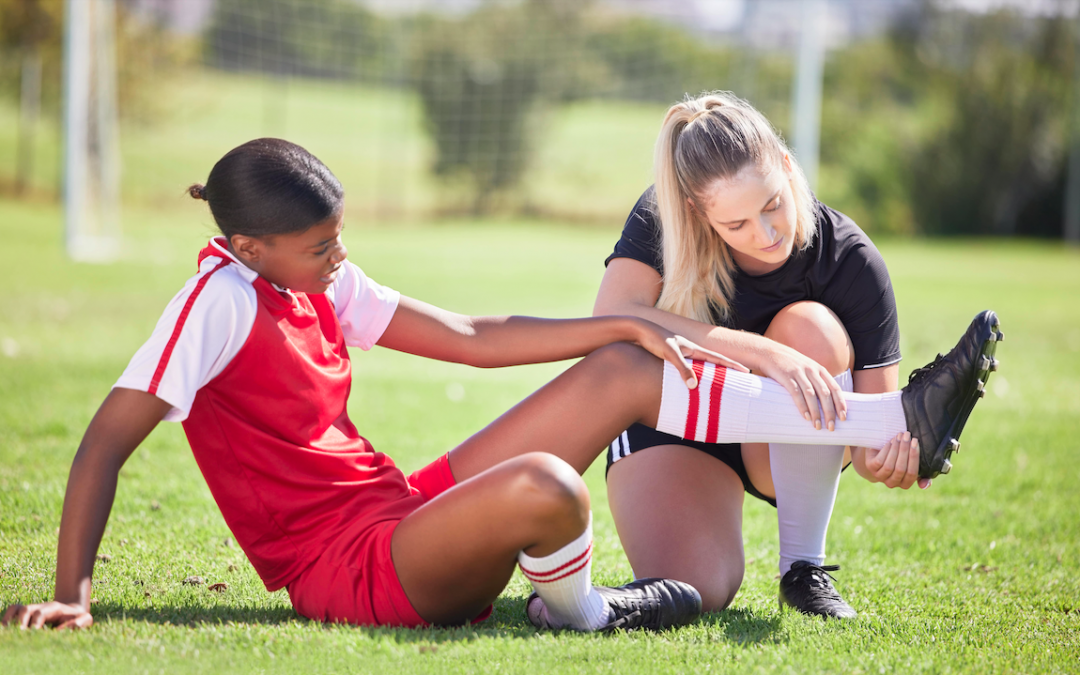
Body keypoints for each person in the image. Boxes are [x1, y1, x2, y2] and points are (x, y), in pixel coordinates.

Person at [1, 138, 996, 633]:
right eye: (318, 246)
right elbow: (102, 442)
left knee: (617, 368)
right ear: (247, 246)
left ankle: (889, 418)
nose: (339, 257)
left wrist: (623, 322)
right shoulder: (215, 304)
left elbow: (473, 339)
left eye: (339, 236)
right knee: (548, 488)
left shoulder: (319, 280)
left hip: (392, 510)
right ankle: (584, 611)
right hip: (346, 571)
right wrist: (71, 597)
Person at [588, 92, 1002, 618]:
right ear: (696, 211)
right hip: (673, 423)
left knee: (809, 327)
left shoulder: (849, 260)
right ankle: (578, 607)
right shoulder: (664, 214)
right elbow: (609, 320)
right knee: (696, 590)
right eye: (735, 225)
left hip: (777, 446)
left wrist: (897, 451)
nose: (764, 235)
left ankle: (803, 569)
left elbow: (865, 454)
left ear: (787, 167)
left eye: (771, 205)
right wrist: (764, 354)